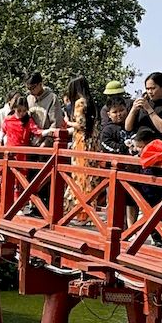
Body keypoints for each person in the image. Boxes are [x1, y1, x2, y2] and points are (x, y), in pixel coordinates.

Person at [63, 76, 100, 217]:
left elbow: (80, 124)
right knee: (90, 176)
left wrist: (67, 121)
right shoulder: (91, 102)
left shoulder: (79, 103)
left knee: (80, 175)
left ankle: (81, 211)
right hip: (92, 141)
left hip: (81, 142)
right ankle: (90, 211)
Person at [124, 72, 162, 141]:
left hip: (157, 145)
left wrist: (149, 109)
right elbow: (128, 127)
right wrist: (133, 110)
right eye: (147, 89)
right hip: (139, 146)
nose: (149, 92)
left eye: (153, 88)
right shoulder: (143, 103)